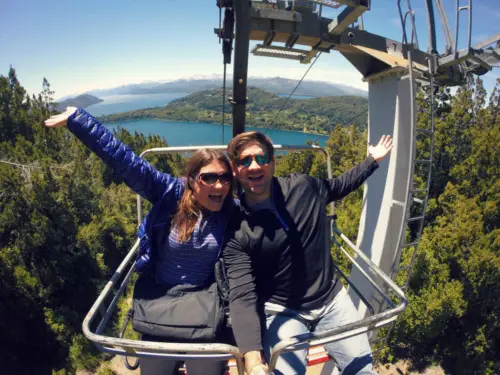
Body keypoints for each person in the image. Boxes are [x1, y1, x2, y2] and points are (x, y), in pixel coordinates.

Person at [44, 107, 235, 375]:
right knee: (155, 368)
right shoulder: (170, 194)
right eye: (209, 177)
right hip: (160, 298)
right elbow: (127, 162)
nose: (219, 185)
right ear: (193, 180)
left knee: (206, 368)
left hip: (205, 303)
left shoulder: (232, 211)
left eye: (225, 177)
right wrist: (80, 120)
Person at [223, 131, 393, 375]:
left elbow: (339, 186)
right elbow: (242, 294)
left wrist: (371, 161)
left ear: (272, 163)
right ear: (235, 168)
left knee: (363, 371)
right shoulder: (237, 229)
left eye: (261, 159)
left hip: (331, 300)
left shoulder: (303, 188)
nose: (254, 166)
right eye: (245, 160)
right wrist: (252, 359)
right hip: (281, 310)